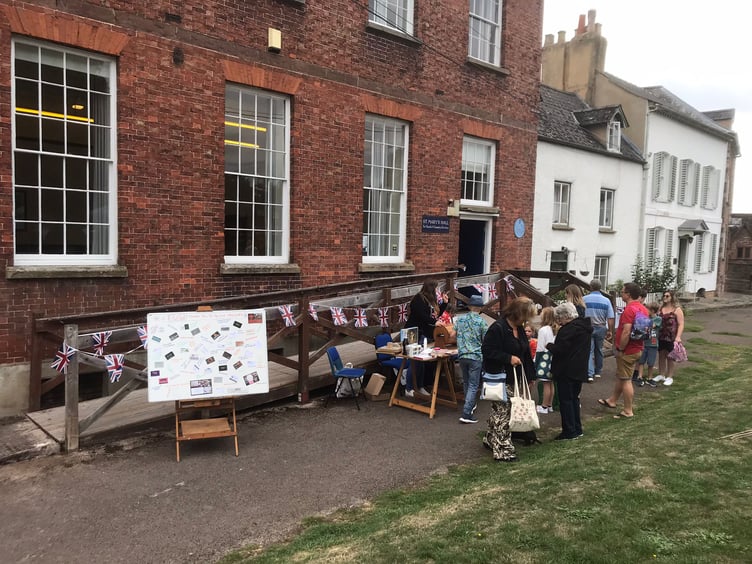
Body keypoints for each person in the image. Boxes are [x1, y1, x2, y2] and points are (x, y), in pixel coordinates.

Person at [481, 297, 537, 462]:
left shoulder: (519, 328)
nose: (526, 320)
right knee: (504, 413)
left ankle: (490, 439)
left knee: (500, 412)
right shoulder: (498, 328)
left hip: (516, 377)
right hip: (500, 377)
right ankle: (503, 450)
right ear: (517, 313)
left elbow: (525, 354)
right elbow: (487, 350)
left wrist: (530, 376)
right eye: (525, 316)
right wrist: (508, 358)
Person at [598, 282, 648, 419]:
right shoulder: (642, 308)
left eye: (622, 291)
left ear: (628, 294)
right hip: (638, 347)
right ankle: (612, 400)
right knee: (622, 376)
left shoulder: (629, 310)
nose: (621, 293)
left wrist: (621, 348)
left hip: (627, 350)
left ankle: (628, 410)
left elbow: (626, 331)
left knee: (626, 380)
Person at [545, 302, 592, 440]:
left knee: (566, 401)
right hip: (579, 368)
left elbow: (560, 350)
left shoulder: (567, 330)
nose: (558, 321)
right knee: (574, 399)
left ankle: (569, 431)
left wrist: (549, 346)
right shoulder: (585, 327)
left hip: (565, 369)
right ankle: (577, 428)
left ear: (565, 316)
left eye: (559, 318)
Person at [403, 281, 448, 397]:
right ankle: (409, 388)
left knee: (421, 361)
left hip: (422, 332)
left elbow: (435, 316)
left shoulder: (430, 301)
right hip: (412, 332)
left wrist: (444, 304)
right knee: (414, 360)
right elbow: (422, 316)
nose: (437, 292)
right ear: (431, 289)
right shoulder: (418, 299)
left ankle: (420, 386)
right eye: (436, 289)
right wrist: (434, 322)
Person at [455, 295, 488, 424]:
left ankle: (471, 404)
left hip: (462, 354)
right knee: (474, 385)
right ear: (480, 308)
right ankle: (466, 413)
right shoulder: (481, 322)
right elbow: (486, 340)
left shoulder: (460, 319)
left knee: (466, 382)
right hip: (475, 355)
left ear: (469, 307)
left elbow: (453, 334)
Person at [583, 279, 615, 382]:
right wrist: (610, 330)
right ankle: (598, 372)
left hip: (588, 327)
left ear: (590, 287)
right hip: (601, 326)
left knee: (589, 350)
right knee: (599, 349)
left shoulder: (584, 299)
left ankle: (589, 373)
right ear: (600, 288)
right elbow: (610, 317)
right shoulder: (606, 300)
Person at [653, 290, 685, 387]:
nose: (665, 297)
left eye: (667, 296)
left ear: (672, 297)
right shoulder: (661, 308)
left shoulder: (677, 309)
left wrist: (678, 336)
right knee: (661, 354)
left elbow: (681, 324)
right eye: (664, 296)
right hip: (661, 335)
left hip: (671, 336)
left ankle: (670, 376)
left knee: (670, 356)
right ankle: (661, 374)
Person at [534, 306, 557, 414]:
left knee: (546, 384)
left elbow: (540, 347)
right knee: (551, 384)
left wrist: (536, 361)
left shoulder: (543, 330)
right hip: (554, 358)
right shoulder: (556, 329)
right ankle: (550, 405)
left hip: (544, 358)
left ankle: (544, 406)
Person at [636, 302, 661, 386]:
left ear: (652, 310)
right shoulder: (645, 318)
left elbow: (651, 326)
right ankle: (639, 377)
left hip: (653, 344)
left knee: (651, 363)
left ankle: (650, 378)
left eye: (647, 309)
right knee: (641, 361)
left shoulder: (658, 319)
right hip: (644, 343)